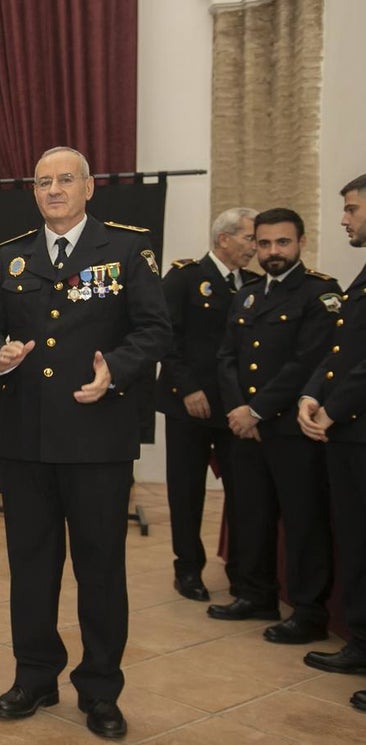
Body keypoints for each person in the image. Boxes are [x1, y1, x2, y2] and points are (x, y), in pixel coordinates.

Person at [0, 146, 171, 740]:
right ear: (34, 192)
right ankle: (34, 676)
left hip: (97, 437)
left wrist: (115, 368)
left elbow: (156, 329)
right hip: (26, 441)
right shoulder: (10, 257)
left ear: (89, 188)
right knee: (31, 569)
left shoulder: (124, 248)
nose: (54, 189)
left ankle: (100, 689)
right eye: (44, 182)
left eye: (66, 180)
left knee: (100, 569)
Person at [211, 208, 338, 646]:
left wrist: (257, 411)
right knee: (251, 514)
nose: (271, 252)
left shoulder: (320, 294)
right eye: (263, 243)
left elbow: (308, 362)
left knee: (303, 523)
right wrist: (238, 411)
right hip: (247, 429)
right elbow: (226, 357)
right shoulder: (246, 295)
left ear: (301, 242)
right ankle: (256, 594)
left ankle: (307, 612)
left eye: (282, 242)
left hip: (290, 431)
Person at [157, 207, 260, 602]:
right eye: (250, 238)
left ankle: (241, 572)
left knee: (243, 493)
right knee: (186, 493)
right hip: (190, 406)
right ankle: (187, 570)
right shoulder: (185, 277)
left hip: (236, 410)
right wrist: (187, 389)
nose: (254, 247)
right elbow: (165, 336)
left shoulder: (251, 284)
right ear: (224, 239)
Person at [298, 174, 366, 711]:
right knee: (355, 542)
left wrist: (334, 408)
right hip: (344, 431)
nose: (344, 218)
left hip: (354, 427)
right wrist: (314, 393)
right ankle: (361, 644)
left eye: (351, 209)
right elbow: (342, 349)